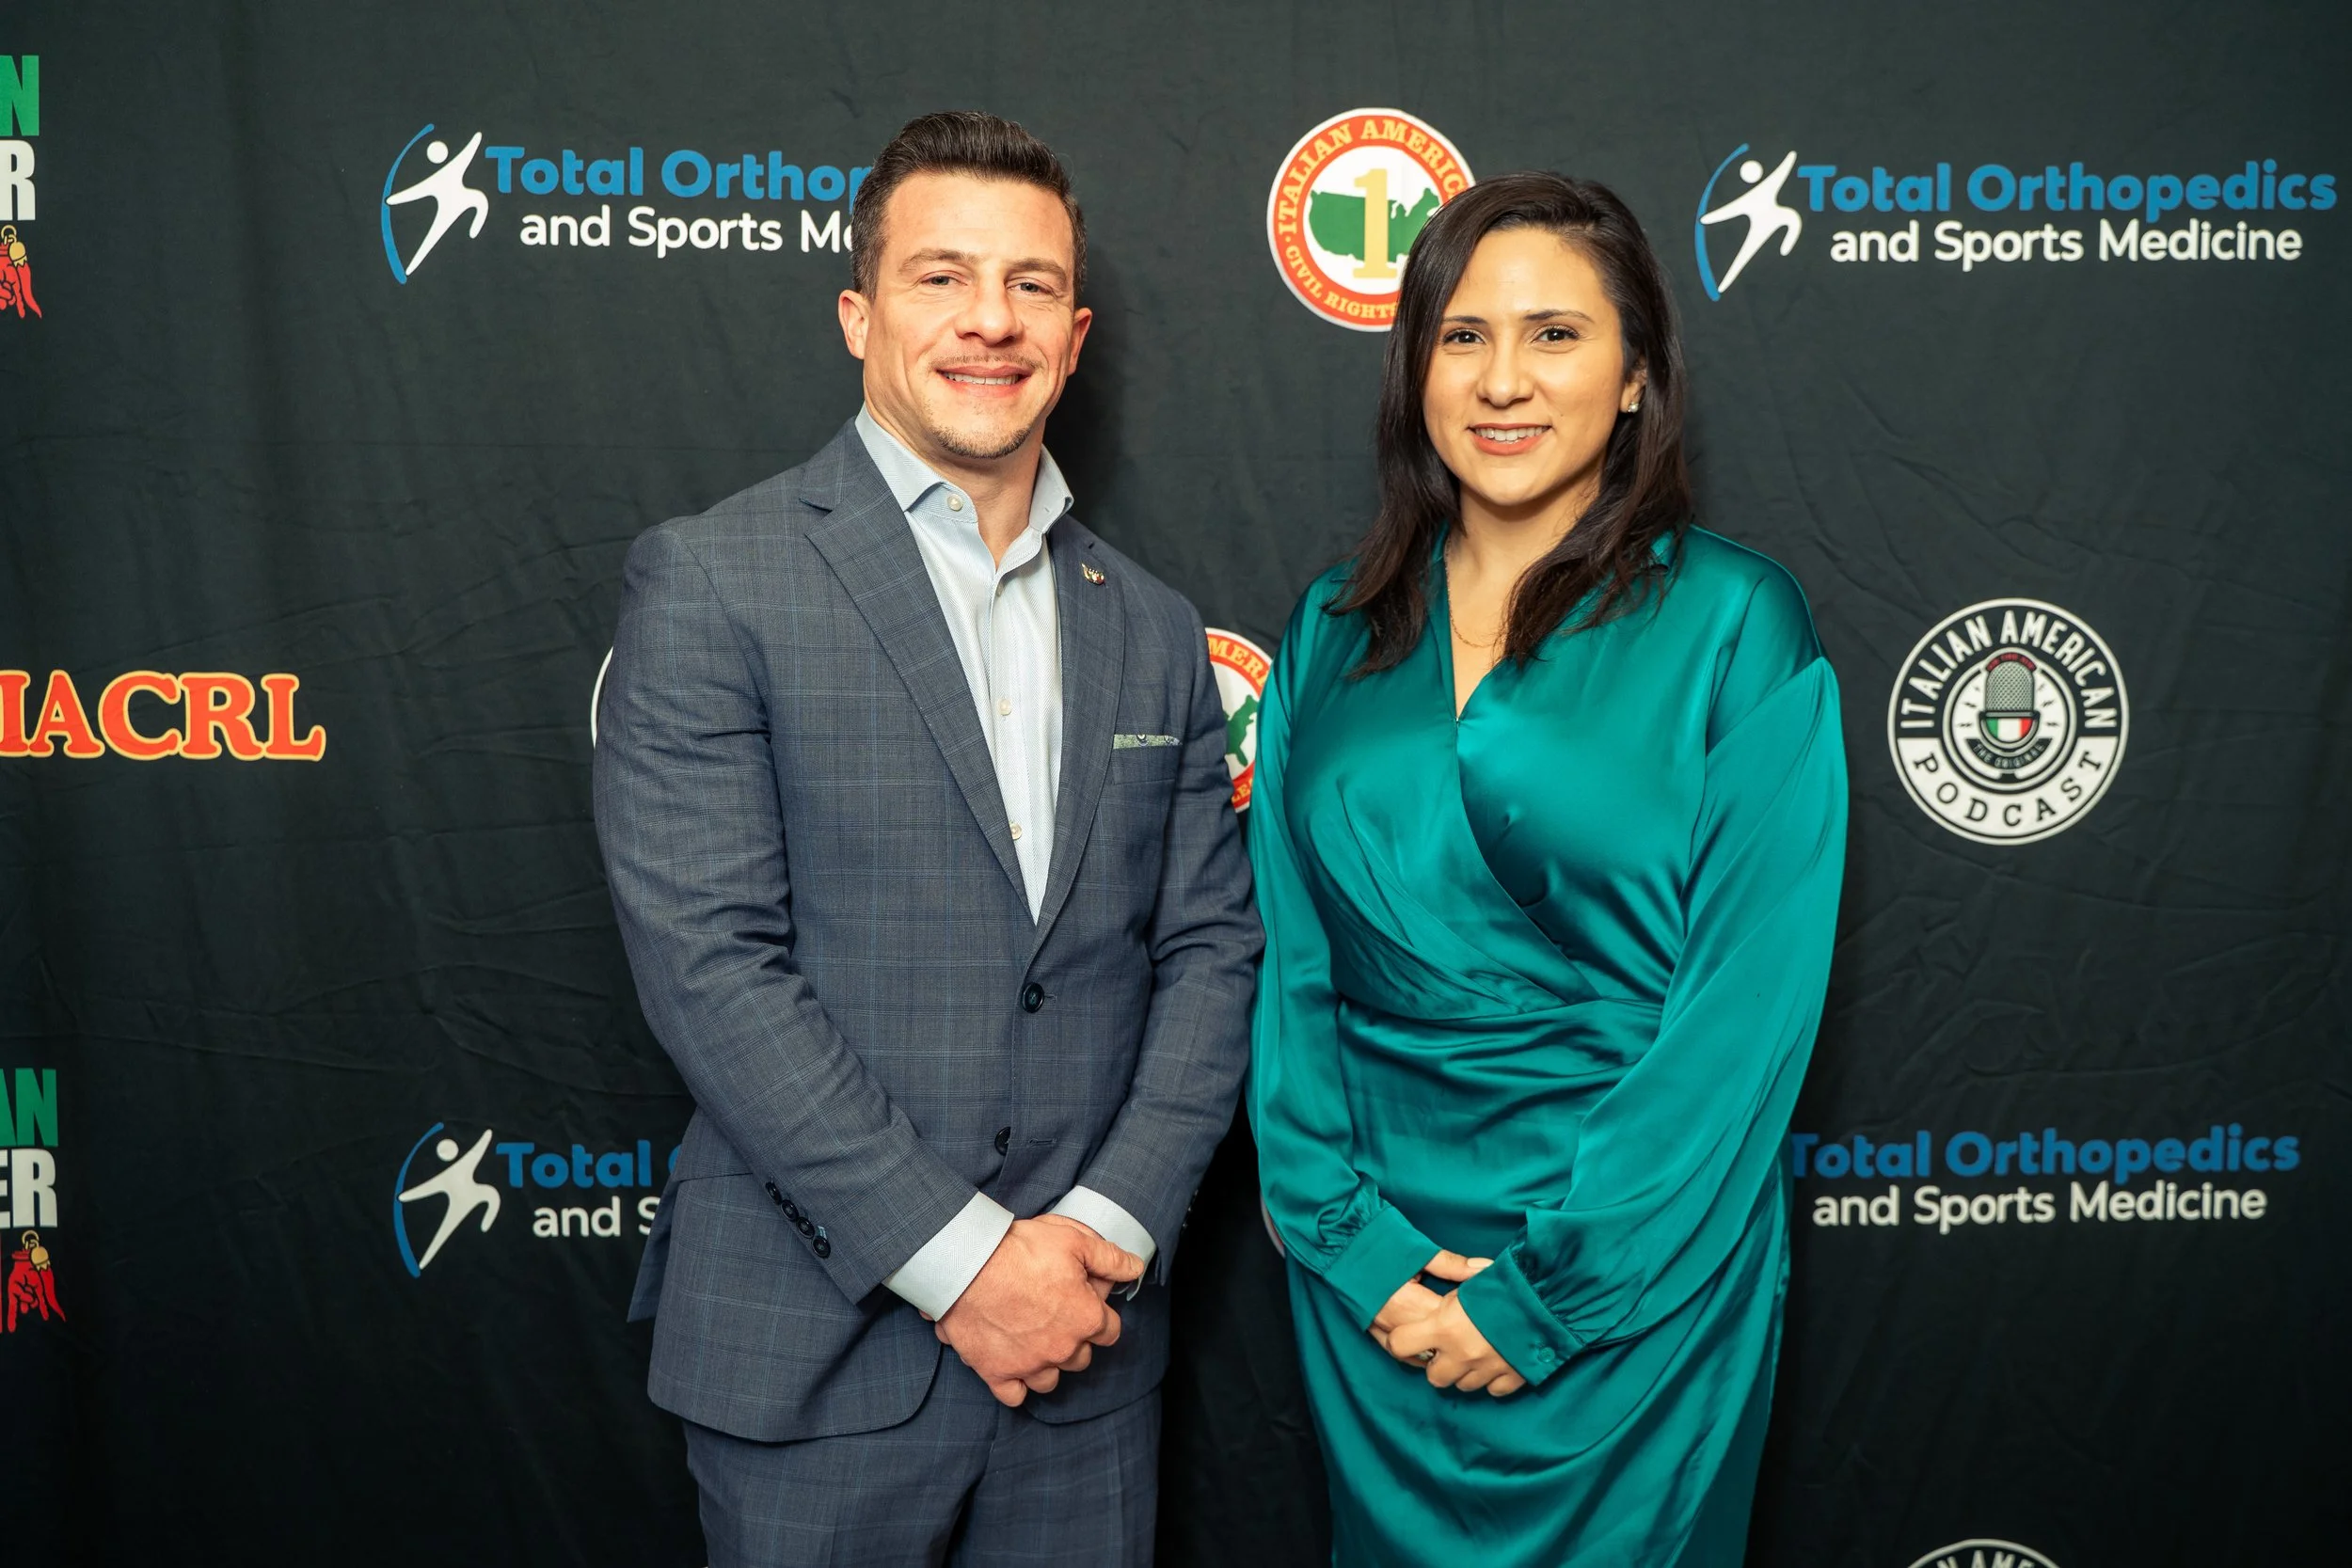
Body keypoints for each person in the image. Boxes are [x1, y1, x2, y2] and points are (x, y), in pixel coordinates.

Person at [594, 110, 1259, 1567]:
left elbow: (1212, 950)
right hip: (818, 1365)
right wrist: (967, 1267)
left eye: (1029, 286)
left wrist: (1103, 1232)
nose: (989, 322)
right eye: (941, 276)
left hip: (1087, 1364)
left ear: (1074, 338)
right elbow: (713, 969)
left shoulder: (1147, 623)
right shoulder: (716, 579)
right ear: (859, 313)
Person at [1248, 172, 1848, 1565]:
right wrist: (1355, 1246)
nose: (1502, 380)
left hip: (1639, 1282)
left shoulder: (1736, 620)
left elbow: (1743, 1015)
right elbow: (1293, 966)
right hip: (1378, 1285)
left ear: (1637, 376)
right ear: (1415, 370)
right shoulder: (1331, 632)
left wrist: (1549, 1298)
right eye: (1462, 336)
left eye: (1556, 335)